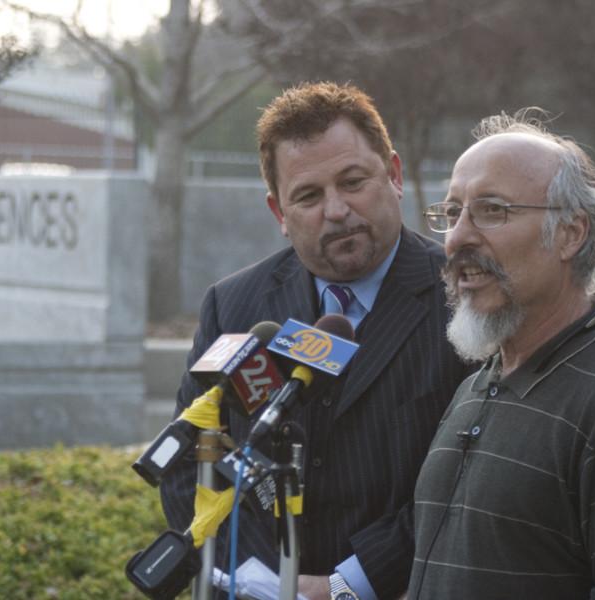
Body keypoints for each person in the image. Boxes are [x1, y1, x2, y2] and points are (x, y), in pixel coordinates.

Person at [159, 81, 472, 600]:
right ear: (279, 214)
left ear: (393, 175)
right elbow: (189, 461)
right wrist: (260, 578)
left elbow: (470, 479)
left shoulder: (466, 299)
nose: (336, 210)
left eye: (352, 182)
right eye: (308, 196)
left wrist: (348, 585)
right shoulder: (233, 306)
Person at [406, 110, 595, 599]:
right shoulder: (478, 384)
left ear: (571, 233)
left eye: (492, 210)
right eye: (452, 212)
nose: (457, 237)